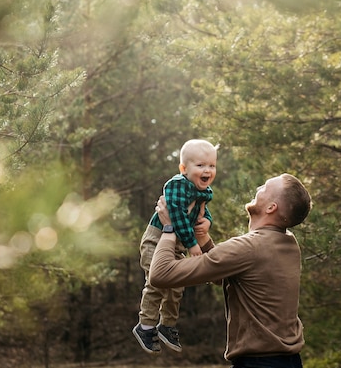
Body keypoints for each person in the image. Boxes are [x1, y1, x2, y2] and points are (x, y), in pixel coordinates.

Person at [150, 173, 312, 368]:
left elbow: (161, 274)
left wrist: (169, 228)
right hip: (289, 362)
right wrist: (202, 238)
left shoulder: (248, 248)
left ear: (271, 207)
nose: (259, 187)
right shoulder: (288, 242)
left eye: (265, 188)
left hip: (259, 364)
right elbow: (227, 273)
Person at [132, 139, 218, 354]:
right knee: (157, 282)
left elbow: (201, 212)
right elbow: (177, 216)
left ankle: (167, 325)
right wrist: (193, 245)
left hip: (176, 246)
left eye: (212, 165)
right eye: (200, 165)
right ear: (184, 168)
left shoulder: (202, 191)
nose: (207, 170)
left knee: (177, 286)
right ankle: (145, 326)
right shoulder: (177, 185)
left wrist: (207, 222)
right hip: (156, 240)